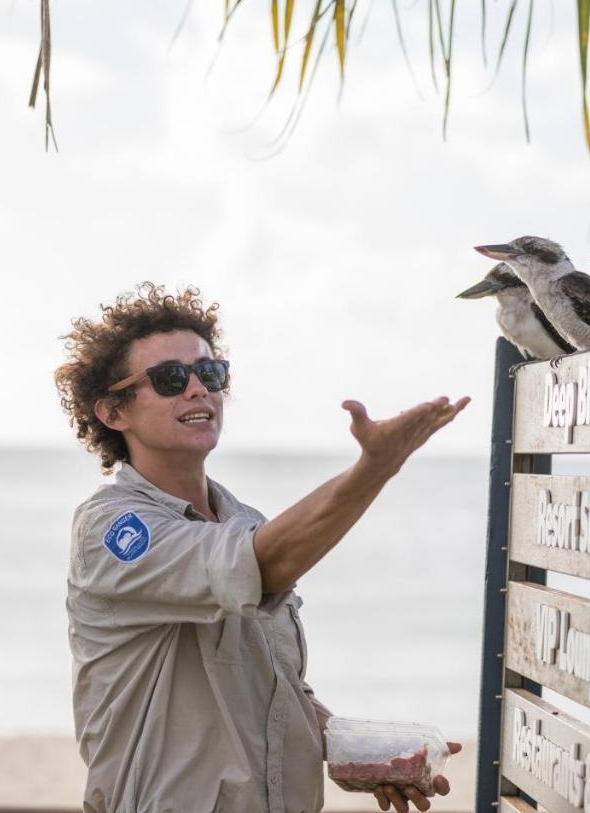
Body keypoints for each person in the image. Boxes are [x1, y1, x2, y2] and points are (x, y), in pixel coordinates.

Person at [54, 284, 471, 813]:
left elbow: (270, 684)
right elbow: (265, 565)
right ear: (113, 412)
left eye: (210, 373)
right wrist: (375, 468)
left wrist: (353, 749)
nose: (197, 390)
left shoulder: (241, 521)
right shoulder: (111, 529)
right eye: (169, 379)